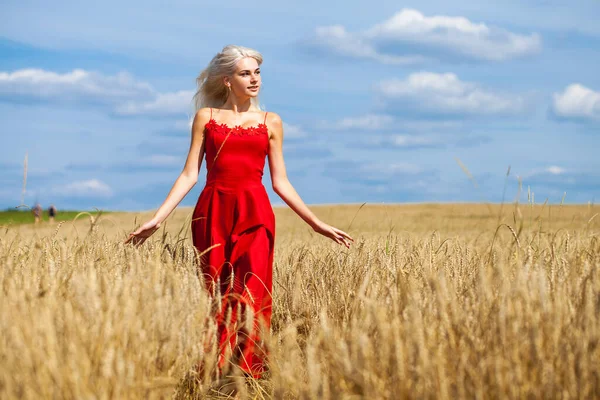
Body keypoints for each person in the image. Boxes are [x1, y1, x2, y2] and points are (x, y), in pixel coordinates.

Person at [125, 45, 353, 379]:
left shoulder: (270, 121)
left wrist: (317, 224)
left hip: (256, 214)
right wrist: (158, 219)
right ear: (226, 80)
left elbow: (281, 182)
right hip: (213, 211)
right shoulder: (207, 118)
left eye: (257, 72)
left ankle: (250, 376)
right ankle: (215, 372)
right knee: (216, 292)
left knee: (252, 291)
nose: (254, 79)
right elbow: (190, 174)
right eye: (246, 73)